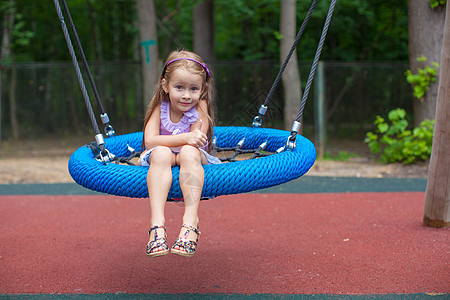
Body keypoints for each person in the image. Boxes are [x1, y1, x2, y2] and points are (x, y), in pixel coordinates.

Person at [139, 50, 220, 258]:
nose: (186, 95)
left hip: (191, 157)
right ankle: (156, 226)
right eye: (179, 87)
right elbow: (150, 141)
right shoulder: (160, 106)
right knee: (161, 154)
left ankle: (190, 221)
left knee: (188, 152)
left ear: (202, 89)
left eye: (193, 89)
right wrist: (185, 138)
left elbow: (197, 140)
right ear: (165, 86)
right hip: (163, 156)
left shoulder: (200, 105)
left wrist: (188, 141)